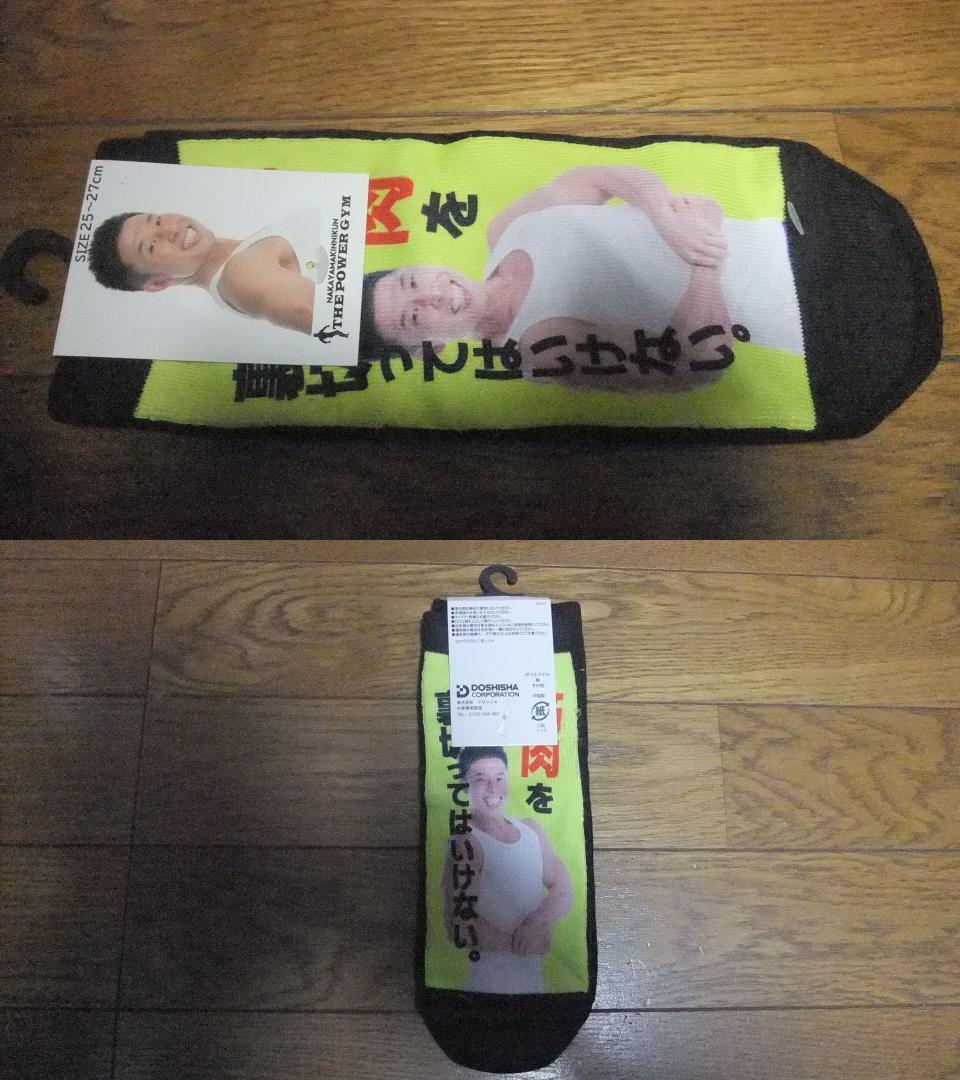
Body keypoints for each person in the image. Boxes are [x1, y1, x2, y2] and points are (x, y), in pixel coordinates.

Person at [360, 164, 804, 393]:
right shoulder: (537, 347)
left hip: (782, 228)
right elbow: (696, 363)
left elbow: (601, 178)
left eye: (411, 283)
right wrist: (704, 258)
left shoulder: (505, 228)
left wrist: (666, 215)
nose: (432, 295)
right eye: (413, 318)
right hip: (793, 304)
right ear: (428, 349)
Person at [442, 746, 573, 994]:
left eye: (499, 778)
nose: (492, 789)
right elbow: (459, 923)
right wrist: (523, 942)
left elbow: (564, 889)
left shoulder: (531, 830)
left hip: (534, 986)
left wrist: (535, 922)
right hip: (487, 988)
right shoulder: (465, 841)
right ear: (464, 785)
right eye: (481, 779)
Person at [88, 208, 323, 335]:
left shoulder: (242, 257)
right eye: (151, 246)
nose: (171, 230)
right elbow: (322, 317)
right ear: (157, 283)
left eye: (157, 221)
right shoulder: (239, 274)